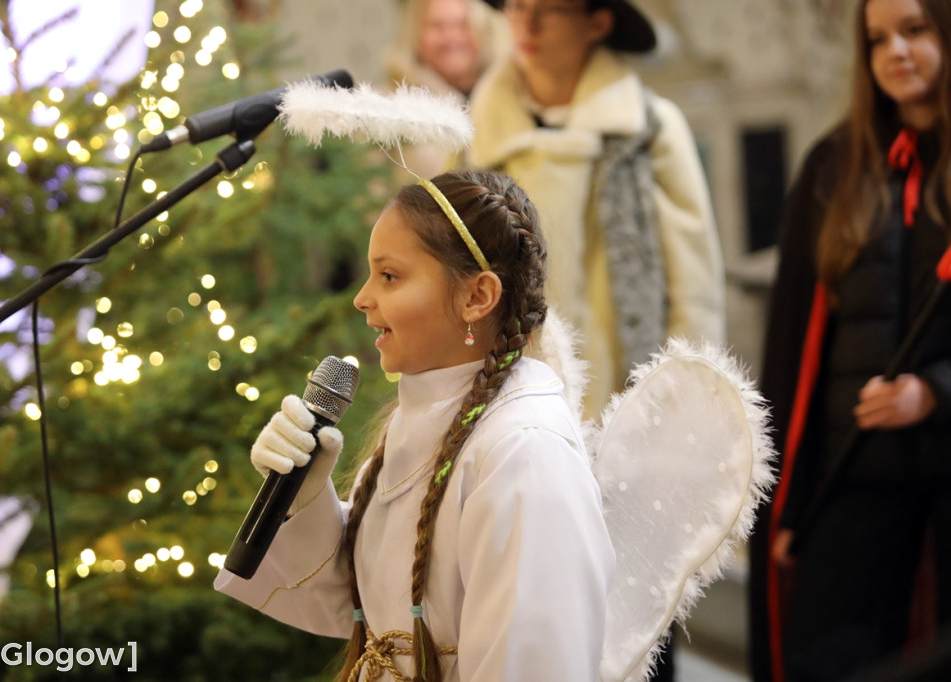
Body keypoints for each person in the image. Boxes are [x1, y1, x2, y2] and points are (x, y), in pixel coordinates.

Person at [215, 168, 615, 681]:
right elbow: (367, 601)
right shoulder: (422, 418)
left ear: (477, 297)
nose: (362, 298)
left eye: (389, 276)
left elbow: (535, 664)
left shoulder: (525, 452)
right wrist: (305, 498)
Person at [757, 1, 951, 680]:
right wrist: (790, 496)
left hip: (944, 468)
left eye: (916, 30)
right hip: (854, 468)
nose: (895, 50)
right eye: (878, 39)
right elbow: (797, 348)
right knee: (828, 653)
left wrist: (935, 391)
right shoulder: (834, 166)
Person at [468, 0, 725, 421]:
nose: (527, 24)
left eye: (549, 9)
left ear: (598, 21)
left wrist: (682, 395)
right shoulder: (477, 134)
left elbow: (693, 288)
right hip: (505, 388)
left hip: (625, 396)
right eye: (516, 6)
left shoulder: (649, 128)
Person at [384, 0, 509, 178]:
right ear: (415, 33)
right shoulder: (390, 107)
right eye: (437, 26)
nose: (451, 37)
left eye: (463, 25)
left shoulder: (508, 99)